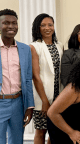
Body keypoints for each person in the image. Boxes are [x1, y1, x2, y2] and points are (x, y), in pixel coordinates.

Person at [0, 9, 34, 144]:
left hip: (18, 103)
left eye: (14, 23)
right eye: (6, 23)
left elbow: (27, 79)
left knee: (17, 141)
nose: (11, 26)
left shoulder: (25, 49)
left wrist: (29, 106)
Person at [29, 13, 63, 144]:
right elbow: (35, 76)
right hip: (42, 96)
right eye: (43, 25)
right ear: (37, 28)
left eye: (50, 25)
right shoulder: (34, 46)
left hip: (58, 95)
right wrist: (44, 100)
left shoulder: (59, 45)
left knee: (55, 129)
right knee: (41, 130)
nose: (47, 28)